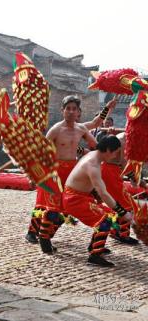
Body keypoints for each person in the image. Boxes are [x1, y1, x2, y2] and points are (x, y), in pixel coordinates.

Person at [25, 95, 116, 254]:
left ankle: (93, 241)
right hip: (55, 170)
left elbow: (96, 137)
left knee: (66, 206)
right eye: (68, 108)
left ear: (78, 112)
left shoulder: (81, 128)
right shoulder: (55, 129)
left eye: (74, 109)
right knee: (50, 205)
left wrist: (108, 109)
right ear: (63, 110)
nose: (71, 112)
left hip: (72, 171)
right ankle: (39, 237)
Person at [63, 135, 132, 267]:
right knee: (104, 220)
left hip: (81, 196)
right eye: (115, 153)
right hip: (74, 199)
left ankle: (95, 246)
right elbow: (104, 193)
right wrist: (123, 212)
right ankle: (95, 255)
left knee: (110, 215)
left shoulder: (94, 155)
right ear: (107, 150)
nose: (115, 157)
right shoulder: (93, 165)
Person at [101, 132, 141, 245]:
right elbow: (124, 163)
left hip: (112, 171)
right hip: (110, 171)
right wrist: (137, 179)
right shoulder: (123, 140)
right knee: (127, 204)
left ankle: (115, 231)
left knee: (119, 203)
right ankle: (123, 235)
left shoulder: (128, 138)